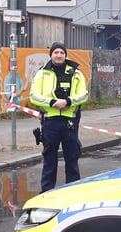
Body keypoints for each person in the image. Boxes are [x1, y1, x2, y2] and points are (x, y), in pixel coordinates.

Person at [30, 42, 89, 192]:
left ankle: (73, 192)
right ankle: (47, 193)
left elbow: (83, 95)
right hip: (50, 120)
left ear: (65, 55)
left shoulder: (76, 73)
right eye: (56, 52)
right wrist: (52, 102)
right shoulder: (42, 73)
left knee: (72, 158)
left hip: (70, 121)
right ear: (51, 55)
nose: (59, 55)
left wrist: (68, 101)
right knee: (49, 159)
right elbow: (34, 96)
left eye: (61, 53)